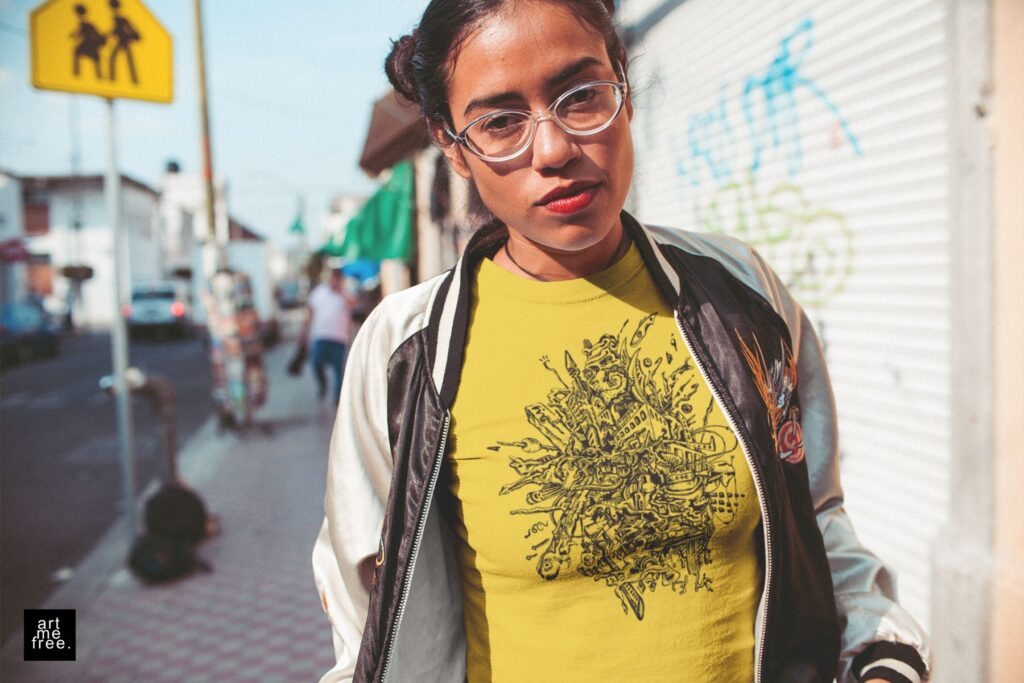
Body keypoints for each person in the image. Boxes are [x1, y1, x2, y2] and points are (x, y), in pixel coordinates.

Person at [311, 1, 931, 682]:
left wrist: (880, 654)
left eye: (581, 97)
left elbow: (816, 521)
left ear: (626, 89)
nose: (552, 150)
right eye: (499, 122)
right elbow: (368, 619)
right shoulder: (405, 353)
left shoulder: (742, 293)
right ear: (453, 146)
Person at [300, 269, 353, 403]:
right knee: (316, 363)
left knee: (338, 370)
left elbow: (353, 304)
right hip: (321, 336)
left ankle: (337, 398)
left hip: (339, 338)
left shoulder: (345, 293)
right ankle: (323, 385)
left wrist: (341, 293)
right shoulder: (318, 293)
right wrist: (304, 332)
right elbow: (310, 312)